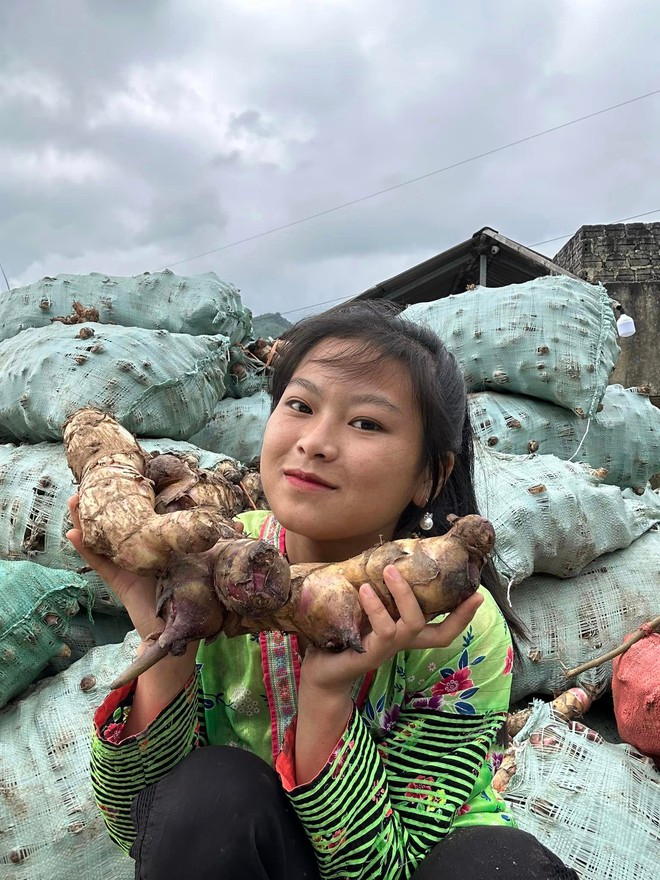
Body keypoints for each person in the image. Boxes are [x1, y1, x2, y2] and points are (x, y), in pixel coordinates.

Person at [68, 301, 578, 880]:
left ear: (428, 476)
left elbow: (389, 866)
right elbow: (142, 828)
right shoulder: (214, 566)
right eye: (300, 405)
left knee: (495, 867)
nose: (314, 441)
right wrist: (164, 634)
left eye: (366, 423)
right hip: (252, 855)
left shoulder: (458, 627)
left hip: (403, 862)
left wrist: (327, 696)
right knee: (211, 794)